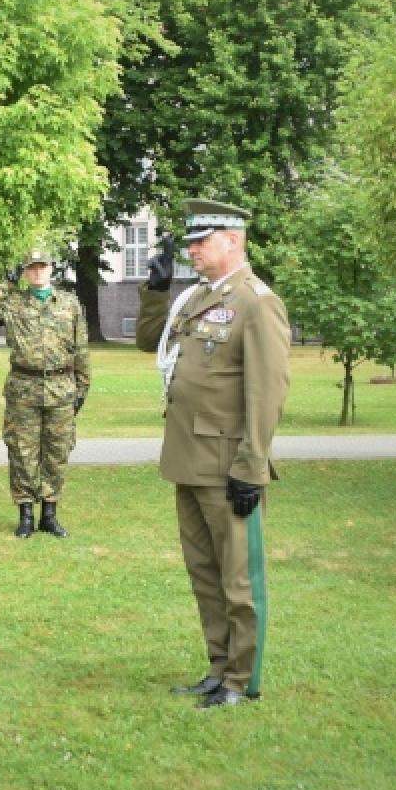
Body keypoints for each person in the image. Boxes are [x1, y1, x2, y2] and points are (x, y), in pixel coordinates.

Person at [135, 199, 290, 710]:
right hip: (189, 457)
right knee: (205, 573)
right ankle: (219, 667)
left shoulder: (256, 302)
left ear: (234, 240)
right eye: (191, 243)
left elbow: (267, 392)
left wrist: (252, 464)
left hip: (228, 464)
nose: (193, 251)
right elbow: (148, 342)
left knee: (238, 578)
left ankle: (242, 681)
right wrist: (157, 291)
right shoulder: (195, 297)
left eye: (202, 242)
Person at [0, 249, 90, 539]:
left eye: (42, 267)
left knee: (57, 452)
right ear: (25, 272)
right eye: (31, 268)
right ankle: (25, 514)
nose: (37, 272)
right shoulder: (13, 303)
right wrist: (6, 284)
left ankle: (49, 514)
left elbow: (81, 347)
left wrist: (82, 387)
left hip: (61, 388)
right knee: (22, 452)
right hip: (24, 388)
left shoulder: (69, 303)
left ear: (51, 269)